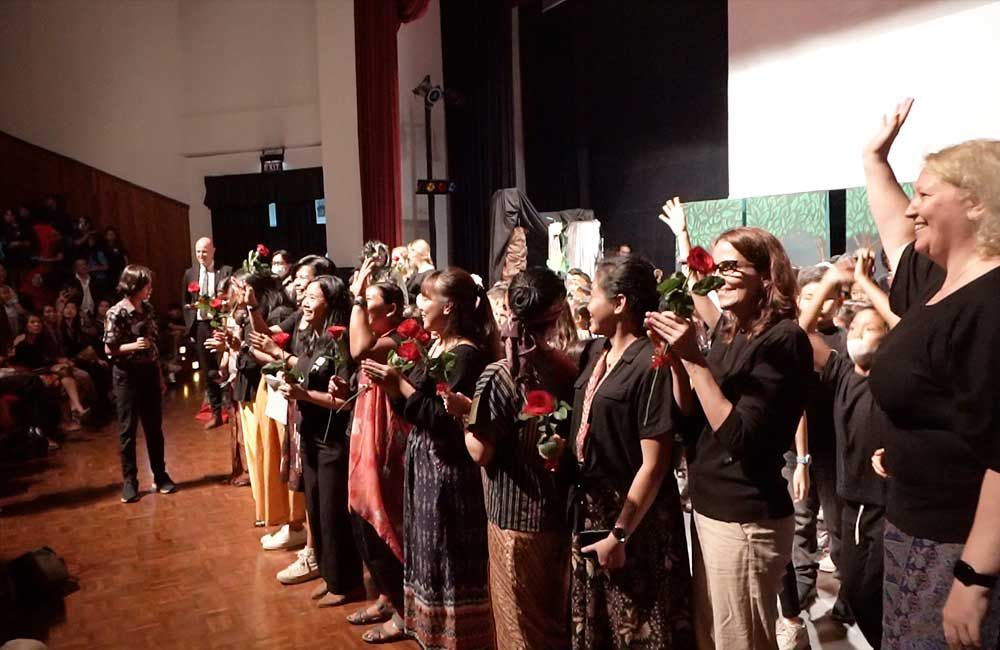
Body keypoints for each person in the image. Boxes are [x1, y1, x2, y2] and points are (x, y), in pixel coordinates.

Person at [863, 98, 1000, 647]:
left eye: (924, 195)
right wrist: (875, 160)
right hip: (914, 527)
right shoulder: (937, 280)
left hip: (957, 546)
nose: (913, 209)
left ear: (976, 206)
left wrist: (974, 576)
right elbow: (898, 230)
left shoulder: (990, 302)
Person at [647, 227, 812, 650]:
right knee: (716, 639)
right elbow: (692, 424)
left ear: (766, 274)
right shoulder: (730, 332)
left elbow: (742, 438)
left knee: (742, 643)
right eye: (714, 268)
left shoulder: (784, 339)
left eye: (730, 267)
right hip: (712, 510)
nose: (717, 278)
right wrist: (675, 364)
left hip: (746, 518)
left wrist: (695, 361)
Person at [362, 267, 499, 650]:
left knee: (447, 552)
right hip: (424, 460)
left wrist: (399, 383)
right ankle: (429, 631)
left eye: (426, 297)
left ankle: (456, 637)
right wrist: (392, 386)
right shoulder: (435, 345)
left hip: (448, 469)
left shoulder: (465, 354)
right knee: (426, 549)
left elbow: (445, 418)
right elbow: (414, 409)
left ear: (449, 305)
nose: (419, 305)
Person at [565, 256, 694, 649]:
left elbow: (654, 466)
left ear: (620, 303)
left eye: (592, 296)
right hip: (592, 512)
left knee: (640, 627)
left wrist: (620, 534)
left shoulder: (651, 361)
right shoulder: (595, 353)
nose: (584, 305)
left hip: (635, 522)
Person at [461, 267, 577, 649]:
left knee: (519, 629)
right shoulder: (567, 366)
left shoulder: (498, 374)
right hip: (557, 514)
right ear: (557, 314)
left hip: (513, 518)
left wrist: (464, 417)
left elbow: (481, 452)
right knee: (551, 622)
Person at [799, 258, 892, 648]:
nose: (857, 335)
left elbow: (906, 326)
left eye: (868, 328)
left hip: (888, 504)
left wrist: (867, 284)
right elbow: (798, 331)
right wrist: (832, 281)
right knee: (855, 589)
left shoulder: (895, 374)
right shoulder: (839, 371)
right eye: (853, 327)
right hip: (850, 498)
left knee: (880, 590)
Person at [277, 275, 363, 607]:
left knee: (333, 515)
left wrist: (303, 394)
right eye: (306, 296)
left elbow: (345, 402)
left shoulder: (339, 343)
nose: (305, 301)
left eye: (314, 296)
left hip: (333, 441)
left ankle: (347, 584)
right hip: (311, 436)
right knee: (315, 508)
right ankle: (329, 577)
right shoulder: (311, 339)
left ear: (331, 302)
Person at [343, 257, 410, 644]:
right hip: (365, 431)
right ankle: (386, 596)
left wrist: (354, 296)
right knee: (361, 517)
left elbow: (360, 348)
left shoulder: (399, 337)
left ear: (392, 310)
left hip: (386, 441)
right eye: (363, 301)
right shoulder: (383, 333)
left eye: (370, 301)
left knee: (382, 517)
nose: (363, 307)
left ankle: (401, 610)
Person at [104, 265, 175, 503]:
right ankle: (130, 481)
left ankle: (160, 474)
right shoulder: (116, 312)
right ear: (133, 286)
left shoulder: (149, 309)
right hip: (126, 376)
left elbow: (153, 347)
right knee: (127, 431)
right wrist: (134, 346)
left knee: (154, 428)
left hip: (148, 373)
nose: (150, 290)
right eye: (146, 285)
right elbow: (109, 348)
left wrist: (160, 375)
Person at [182, 237, 232, 429]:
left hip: (222, 324)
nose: (201, 255)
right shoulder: (190, 274)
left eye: (204, 251)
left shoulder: (225, 271)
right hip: (201, 325)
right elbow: (185, 302)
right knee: (208, 369)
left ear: (213, 250)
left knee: (227, 365)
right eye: (198, 252)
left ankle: (232, 407)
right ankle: (216, 411)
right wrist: (191, 327)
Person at [404, 239, 435, 303]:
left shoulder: (429, 274)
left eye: (410, 253)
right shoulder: (415, 273)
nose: (409, 257)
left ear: (419, 253)